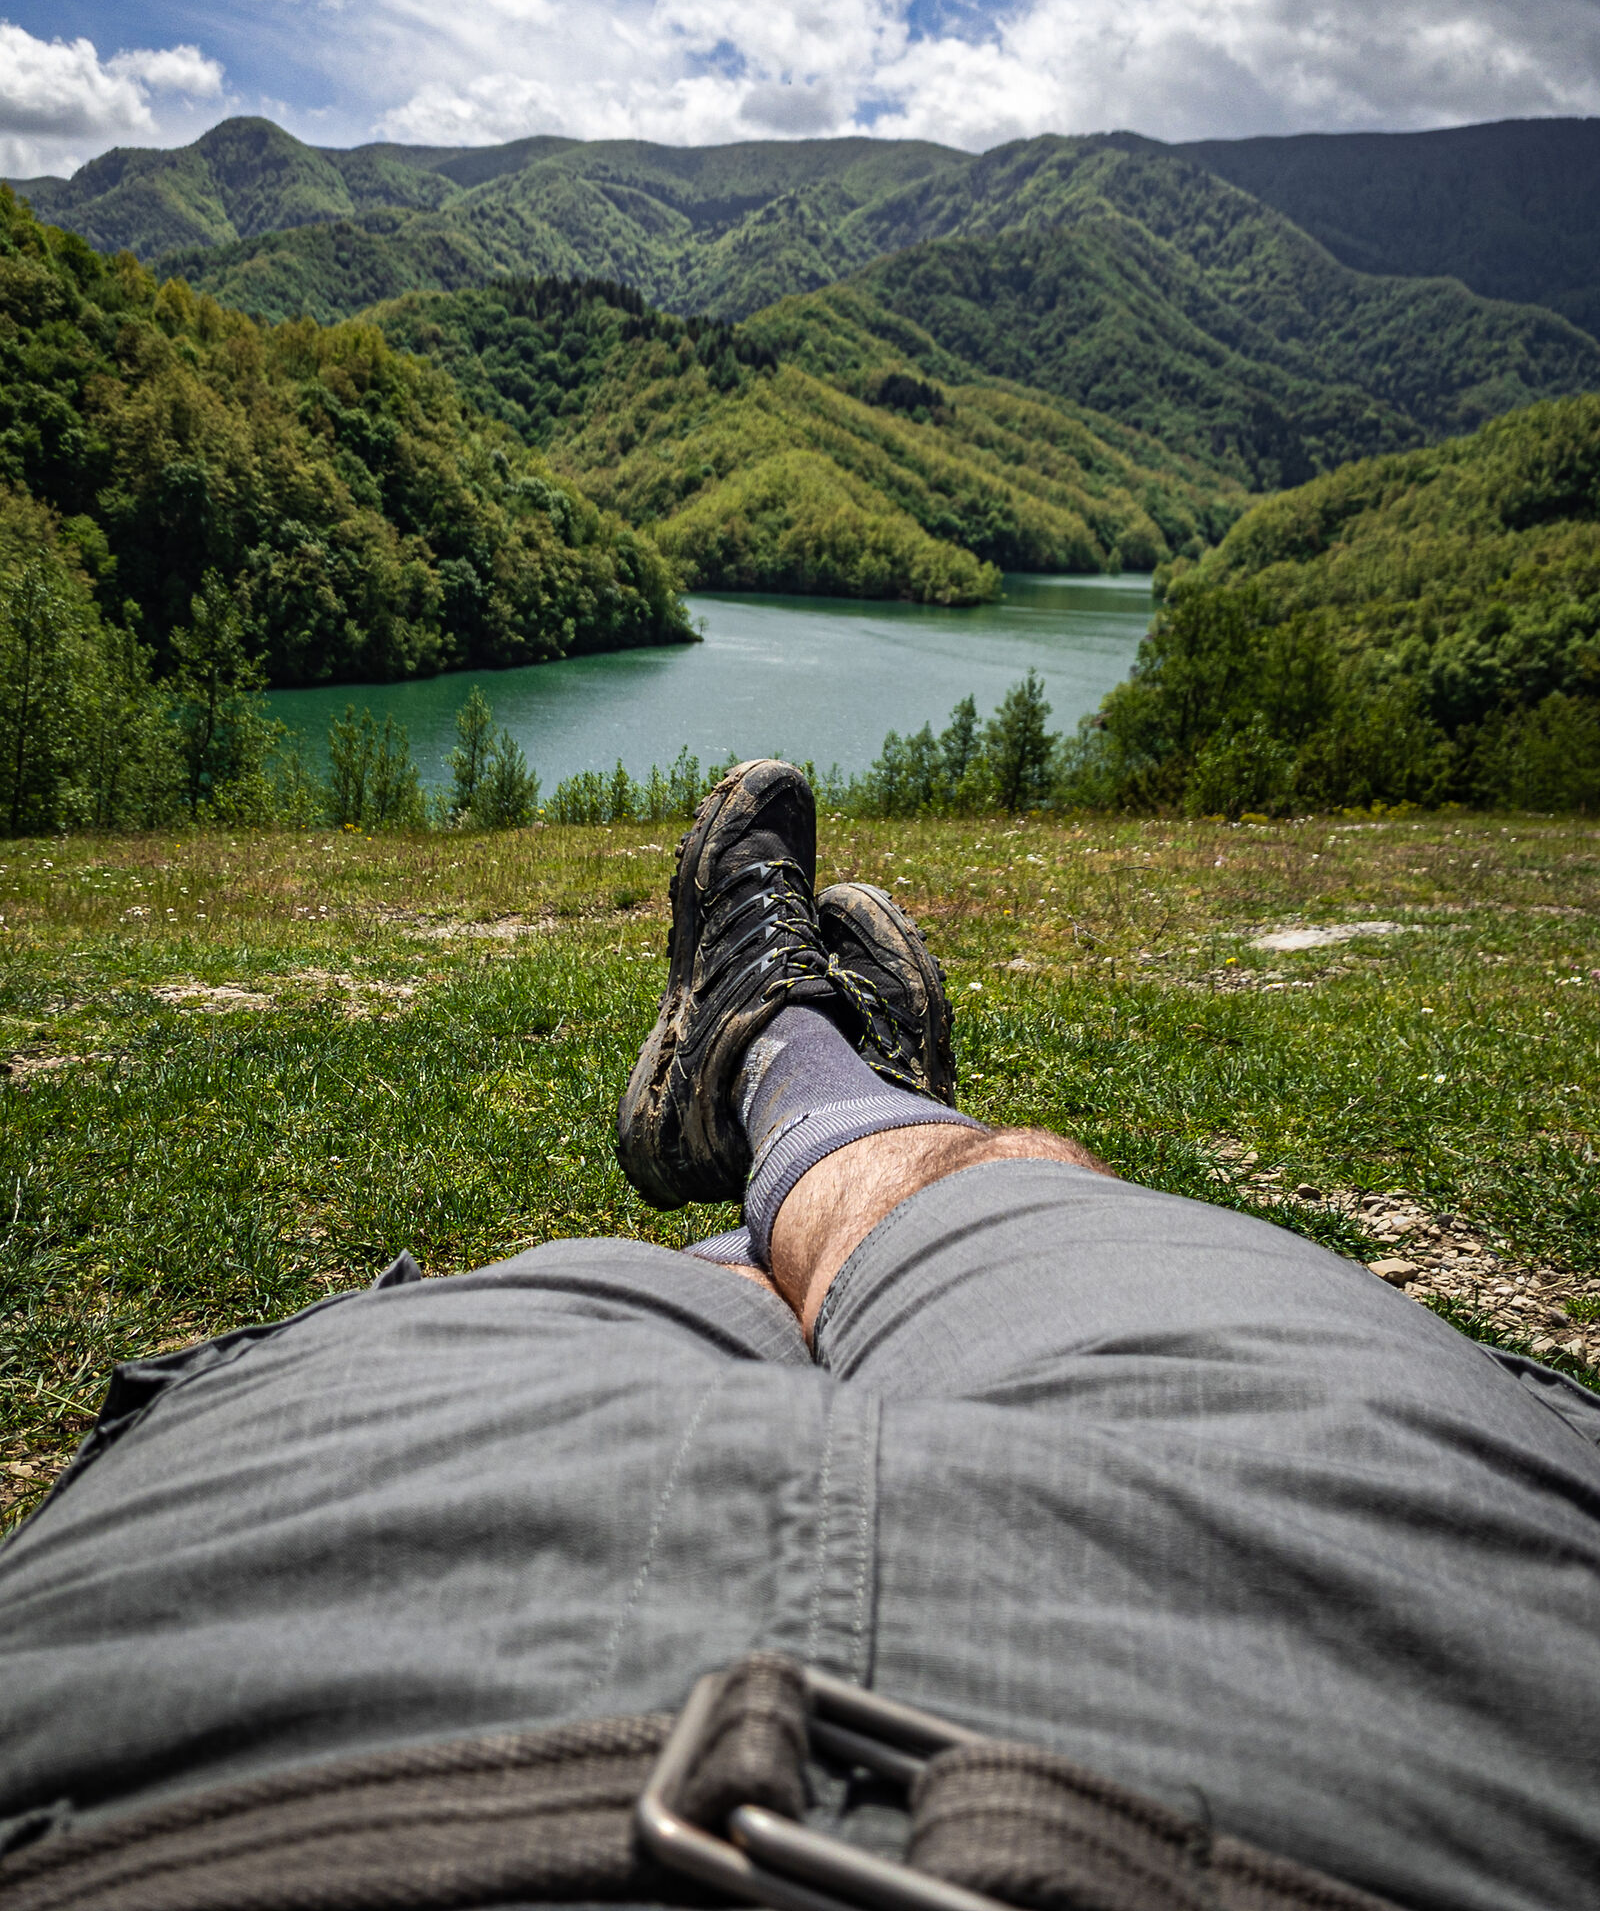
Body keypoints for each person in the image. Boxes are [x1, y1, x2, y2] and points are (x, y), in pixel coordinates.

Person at [0, 760, 1596, 1911]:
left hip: (220, 1763)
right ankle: (811, 1088)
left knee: (635, 1296)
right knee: (996, 1196)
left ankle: (771, 1071)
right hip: (1390, 1729)